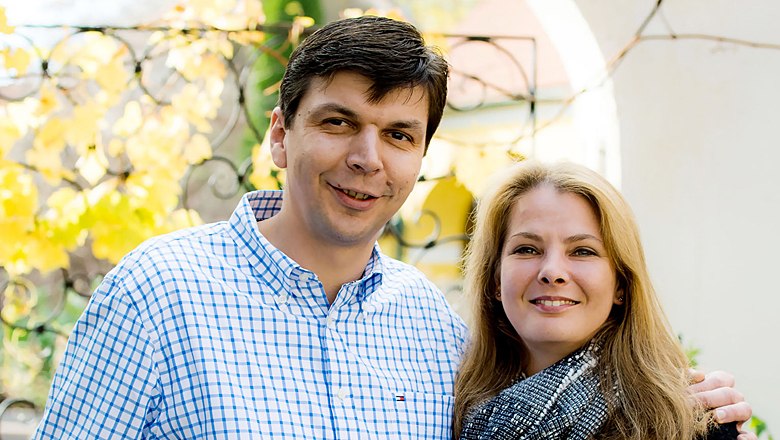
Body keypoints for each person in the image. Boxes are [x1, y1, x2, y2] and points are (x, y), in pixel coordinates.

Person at [33, 16, 752, 439]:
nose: (366, 159)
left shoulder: (437, 335)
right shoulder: (155, 295)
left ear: (419, 157)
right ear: (282, 136)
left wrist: (683, 402)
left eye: (399, 135)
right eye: (339, 122)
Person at [453, 160, 754, 439]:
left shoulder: (687, 420)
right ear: (494, 280)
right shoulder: (449, 410)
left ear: (620, 285)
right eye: (527, 249)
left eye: (583, 251)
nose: (552, 272)